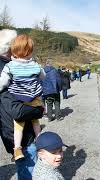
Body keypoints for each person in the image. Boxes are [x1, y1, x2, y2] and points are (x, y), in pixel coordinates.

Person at [0, 29, 44, 180]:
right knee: (29, 170)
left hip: (16, 119)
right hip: (27, 113)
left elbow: (3, 85)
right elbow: (17, 111)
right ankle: (37, 139)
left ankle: (19, 147)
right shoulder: (13, 66)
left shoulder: (10, 66)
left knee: (19, 127)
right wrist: (39, 110)